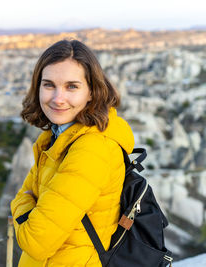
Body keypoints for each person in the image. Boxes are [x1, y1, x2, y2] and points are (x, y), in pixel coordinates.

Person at [10, 39, 135, 267]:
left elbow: (35, 240)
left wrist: (20, 203)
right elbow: (25, 195)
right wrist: (27, 203)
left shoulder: (92, 149)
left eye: (72, 86)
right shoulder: (56, 139)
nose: (58, 98)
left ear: (91, 92)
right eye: (49, 85)